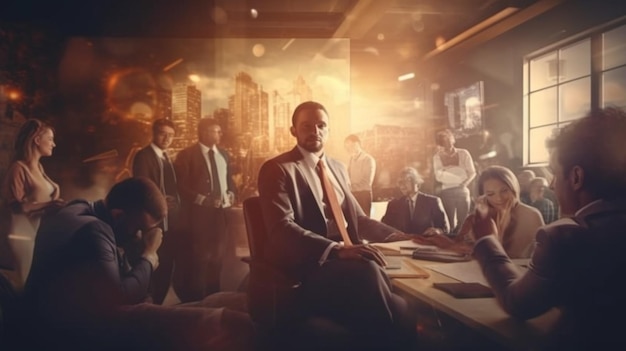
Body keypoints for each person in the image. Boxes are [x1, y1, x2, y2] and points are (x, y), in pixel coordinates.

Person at [21, 177, 254, 351]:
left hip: (66, 319)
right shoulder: (95, 229)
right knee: (228, 322)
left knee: (219, 301)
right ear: (118, 215)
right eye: (138, 228)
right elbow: (122, 296)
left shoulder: (77, 209)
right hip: (81, 330)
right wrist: (149, 255)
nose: (138, 235)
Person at [257, 101, 414, 350]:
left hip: (346, 263)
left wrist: (400, 236)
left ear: (329, 130)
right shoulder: (277, 169)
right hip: (307, 268)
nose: (315, 131)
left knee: (399, 302)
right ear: (293, 131)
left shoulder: (338, 168)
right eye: (307, 126)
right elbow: (281, 229)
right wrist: (337, 249)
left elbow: (359, 219)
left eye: (321, 126)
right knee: (371, 273)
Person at [471, 107, 626, 350]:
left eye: (554, 172)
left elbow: (518, 303)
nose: (552, 184)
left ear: (576, 177)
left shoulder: (567, 238)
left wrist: (487, 240)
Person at [174, 118, 236, 302]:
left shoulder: (224, 154)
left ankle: (214, 297)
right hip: (198, 216)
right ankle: (196, 300)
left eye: (219, 131)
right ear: (203, 133)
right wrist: (203, 200)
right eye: (215, 131)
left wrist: (232, 192)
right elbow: (181, 186)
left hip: (221, 214)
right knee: (199, 259)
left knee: (218, 258)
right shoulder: (186, 155)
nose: (219, 134)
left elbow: (229, 180)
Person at [1, 118, 65, 286]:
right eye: (50, 139)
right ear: (37, 140)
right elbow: (15, 206)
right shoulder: (18, 168)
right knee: (24, 283)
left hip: (38, 234)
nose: (54, 144)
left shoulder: (39, 168)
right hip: (23, 236)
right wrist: (49, 205)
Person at [131, 118, 180, 304]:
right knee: (154, 261)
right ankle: (149, 305)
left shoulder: (167, 157)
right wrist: (160, 199)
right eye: (163, 133)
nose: (167, 138)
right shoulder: (144, 155)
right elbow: (141, 185)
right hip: (153, 220)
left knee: (167, 263)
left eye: (171, 135)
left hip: (170, 221)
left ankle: (158, 303)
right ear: (154, 133)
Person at [456, 166, 544, 258]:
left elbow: (544, 257)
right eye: (490, 194)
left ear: (513, 187)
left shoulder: (531, 215)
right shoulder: (479, 218)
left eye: (504, 191)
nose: (499, 198)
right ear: (483, 196)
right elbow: (461, 249)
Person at [381, 166, 449, 237]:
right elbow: (383, 228)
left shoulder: (433, 202)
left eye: (407, 180)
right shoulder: (393, 205)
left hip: (424, 244)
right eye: (400, 182)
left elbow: (445, 228)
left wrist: (437, 231)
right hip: (400, 245)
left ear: (417, 183)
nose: (402, 184)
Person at [433, 129, 476, 233]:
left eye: (449, 140)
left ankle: (461, 245)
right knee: (449, 224)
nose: (447, 143)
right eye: (443, 141)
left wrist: (464, 184)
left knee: (463, 223)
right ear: (440, 143)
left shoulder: (464, 153)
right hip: (447, 191)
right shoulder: (437, 157)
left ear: (453, 139)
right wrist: (459, 174)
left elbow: (472, 172)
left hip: (462, 190)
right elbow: (438, 176)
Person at [344, 134, 376, 217]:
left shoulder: (368, 160)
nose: (348, 149)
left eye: (350, 146)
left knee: (364, 222)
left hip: (363, 196)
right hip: (353, 196)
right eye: (347, 147)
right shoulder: (351, 159)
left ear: (357, 144)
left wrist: (350, 188)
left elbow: (366, 183)